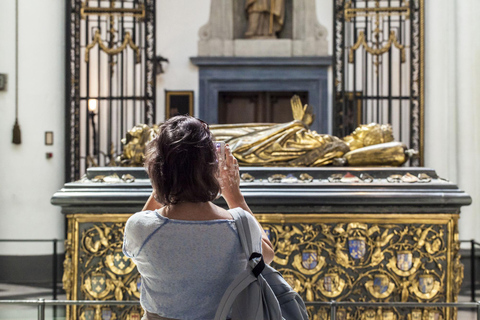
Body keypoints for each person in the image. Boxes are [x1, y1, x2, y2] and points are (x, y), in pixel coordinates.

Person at [122, 115, 274, 320]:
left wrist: (166, 180)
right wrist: (234, 196)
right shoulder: (239, 224)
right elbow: (267, 255)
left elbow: (141, 230)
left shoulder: (140, 227)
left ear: (157, 170)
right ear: (212, 167)